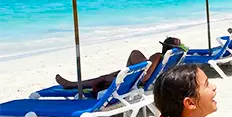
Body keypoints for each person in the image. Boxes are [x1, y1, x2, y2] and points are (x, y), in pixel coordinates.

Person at [55, 37, 185, 93]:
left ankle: (71, 84)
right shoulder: (168, 60)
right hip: (144, 82)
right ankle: (72, 83)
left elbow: (145, 78)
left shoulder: (157, 56)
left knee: (102, 78)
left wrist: (134, 72)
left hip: (133, 83)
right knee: (111, 74)